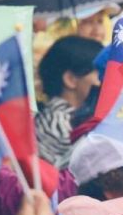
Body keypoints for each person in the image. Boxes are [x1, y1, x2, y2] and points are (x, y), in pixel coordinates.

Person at [36, 35, 102, 167]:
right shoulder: (60, 123)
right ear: (71, 79)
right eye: (100, 73)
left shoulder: (76, 117)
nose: (104, 81)